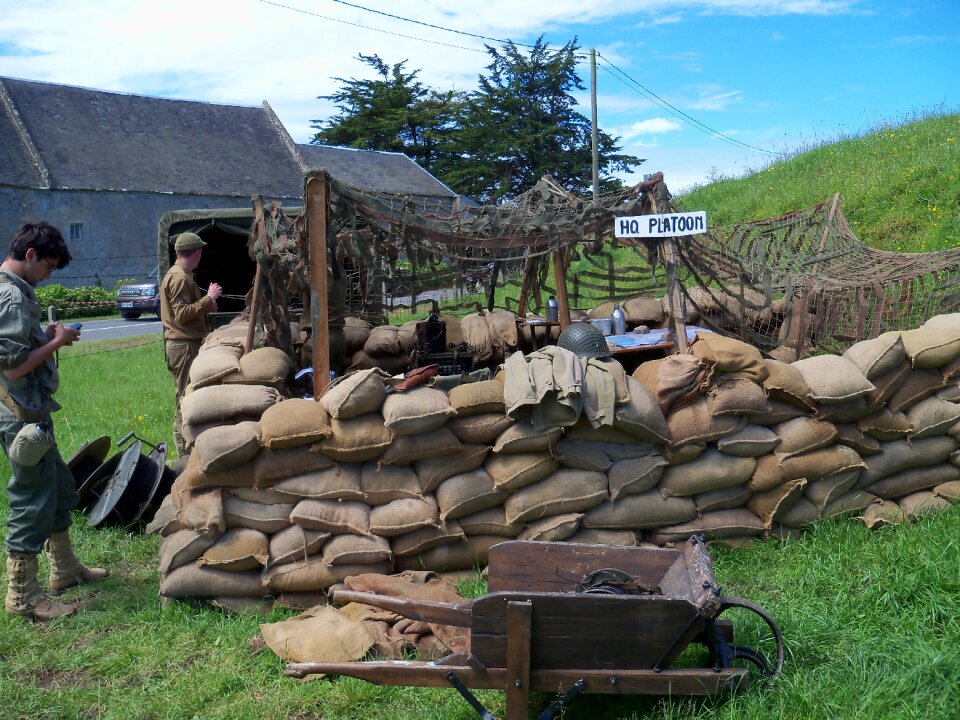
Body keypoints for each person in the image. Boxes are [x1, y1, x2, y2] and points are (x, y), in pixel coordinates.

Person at [0, 221, 108, 621]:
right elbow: (11, 369)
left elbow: (15, 349)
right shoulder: (10, 298)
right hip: (20, 417)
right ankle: (23, 596)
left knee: (59, 487)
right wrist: (57, 343)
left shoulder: (15, 294)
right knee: (32, 500)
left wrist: (44, 337)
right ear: (30, 255)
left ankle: (64, 569)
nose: (48, 276)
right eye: (48, 267)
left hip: (30, 413)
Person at [159, 232, 222, 456]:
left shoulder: (180, 275)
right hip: (183, 346)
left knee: (186, 394)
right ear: (197, 253)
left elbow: (186, 311)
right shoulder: (180, 278)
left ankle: (187, 447)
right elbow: (182, 314)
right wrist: (209, 298)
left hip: (183, 344)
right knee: (184, 398)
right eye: (200, 251)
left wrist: (205, 307)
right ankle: (184, 452)